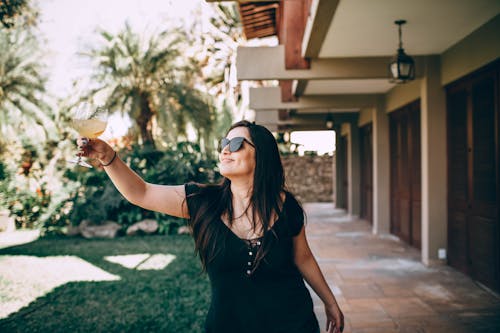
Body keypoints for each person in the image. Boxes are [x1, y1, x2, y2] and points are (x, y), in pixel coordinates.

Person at [77, 120, 344, 333]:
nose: (226, 149)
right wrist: (109, 158)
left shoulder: (287, 208)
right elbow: (141, 192)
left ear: (261, 155)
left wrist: (330, 302)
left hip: (293, 324)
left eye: (237, 143)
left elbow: (304, 258)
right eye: (224, 143)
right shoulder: (202, 202)